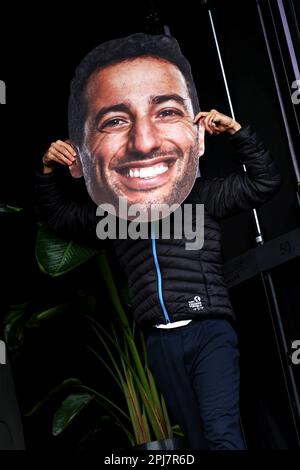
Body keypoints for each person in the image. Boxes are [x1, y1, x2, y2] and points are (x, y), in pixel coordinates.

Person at [36, 33, 282, 449]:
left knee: (223, 437)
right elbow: (60, 217)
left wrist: (237, 132)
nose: (144, 142)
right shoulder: (116, 215)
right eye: (115, 120)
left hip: (209, 332)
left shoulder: (201, 198)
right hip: (160, 341)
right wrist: (47, 169)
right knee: (199, 441)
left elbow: (265, 182)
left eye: (166, 112)